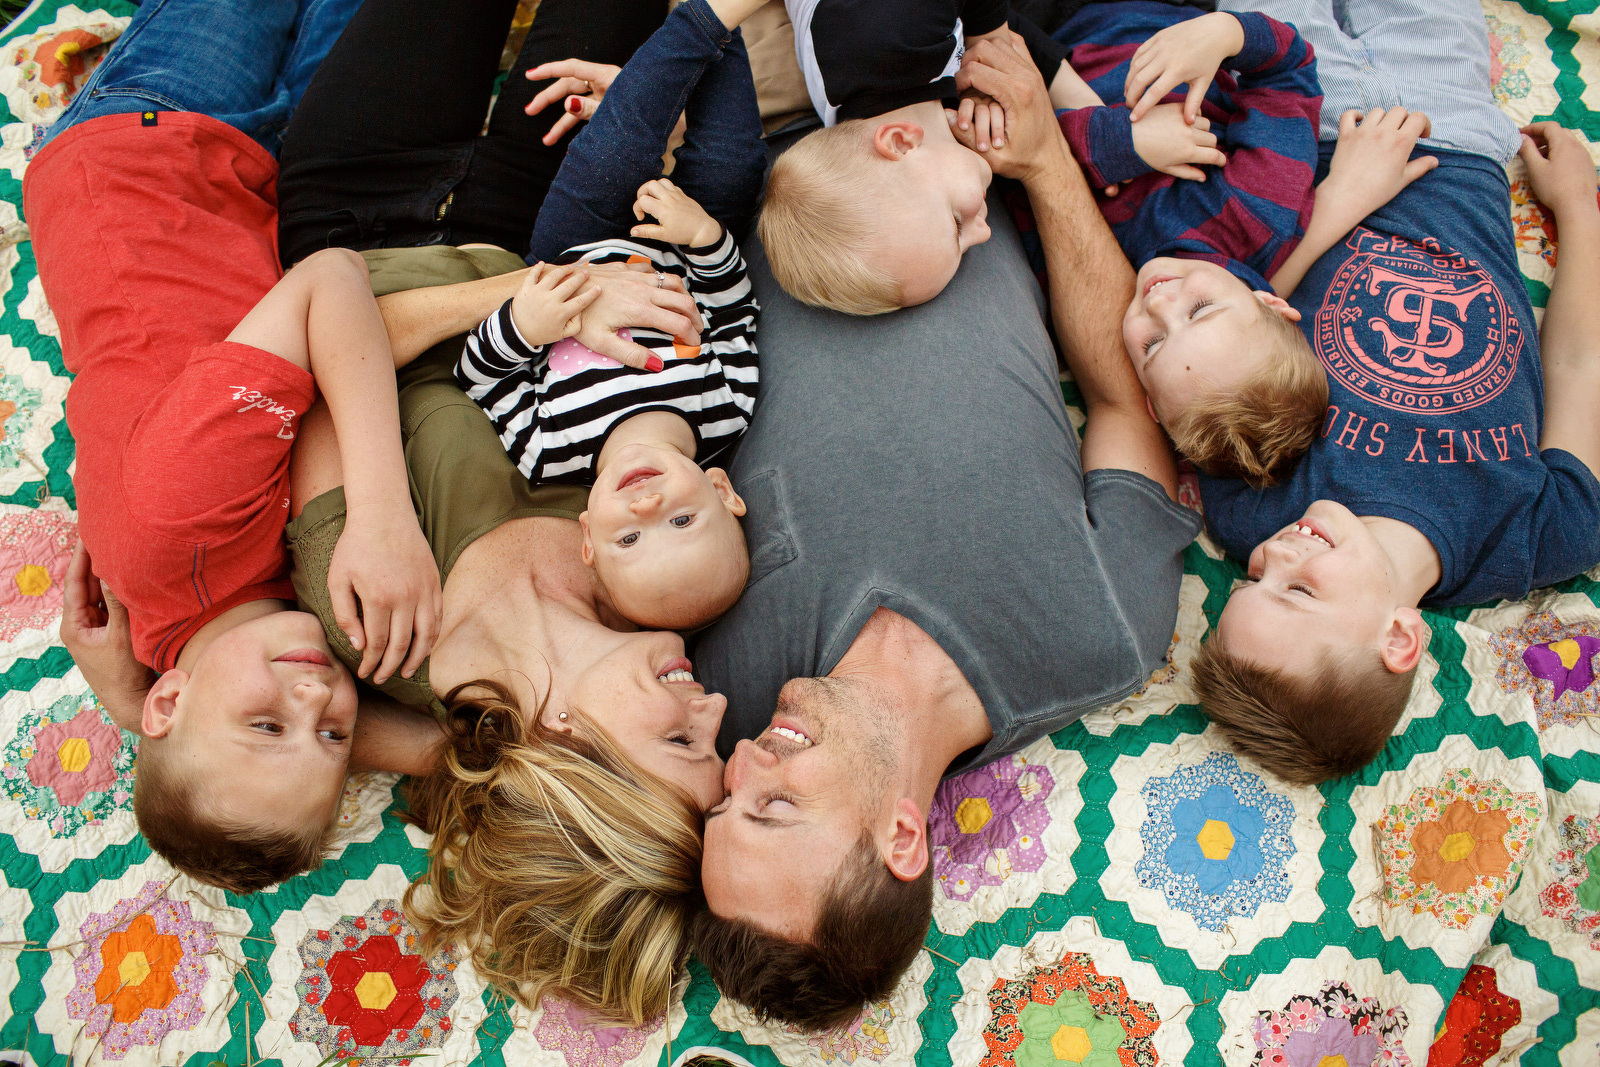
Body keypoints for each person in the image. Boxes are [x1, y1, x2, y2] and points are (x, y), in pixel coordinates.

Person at [688, 28, 1201, 1030]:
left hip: (727, 132)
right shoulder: (1097, 635)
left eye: (726, 801)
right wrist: (1045, 158)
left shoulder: (721, 686)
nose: (742, 765)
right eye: (775, 804)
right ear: (901, 838)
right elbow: (1121, 394)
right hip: (916, 99)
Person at [274, 0, 758, 1026]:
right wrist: (630, 183)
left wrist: (381, 507)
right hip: (548, 215)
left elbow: (318, 327)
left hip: (362, 223)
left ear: (572, 743)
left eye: (685, 743)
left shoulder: (380, 625)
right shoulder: (659, 569)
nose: (717, 712)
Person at [24, 0, 444, 894]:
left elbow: (331, 281)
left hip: (148, 150)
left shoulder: (179, 518)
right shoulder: (211, 643)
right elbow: (424, 744)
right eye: (333, 737)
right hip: (247, 193)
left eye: (267, 725)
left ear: (176, 698)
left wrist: (382, 514)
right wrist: (131, 705)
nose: (318, 700)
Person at [1191, 0, 1600, 785]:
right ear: (1399, 637)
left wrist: (1340, 194)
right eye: (1296, 590)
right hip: (1453, 133)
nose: (1275, 556)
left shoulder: (1253, 506)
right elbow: (1582, 362)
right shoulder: (1540, 533)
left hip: (1300, 129)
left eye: (1252, 579)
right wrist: (1578, 208)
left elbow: (1234, 314)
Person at [455, 0, 767, 631]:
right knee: (735, 166)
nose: (648, 507)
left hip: (575, 243)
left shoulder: (548, 452)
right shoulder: (726, 410)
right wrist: (705, 239)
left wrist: (526, 325)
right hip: (682, 232)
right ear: (722, 491)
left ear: (588, 536)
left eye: (630, 539)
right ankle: (726, 28)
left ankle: (702, 18)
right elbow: (736, 314)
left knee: (616, 150)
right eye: (682, 520)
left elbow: (480, 377)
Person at [1043, 4, 1430, 486]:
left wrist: (1122, 141)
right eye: (1200, 309)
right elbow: (1289, 70)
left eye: (1153, 345)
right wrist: (1225, 34)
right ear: (1271, 301)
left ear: (1150, 404)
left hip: (1040, 37)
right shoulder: (1257, 211)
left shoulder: (1081, 286)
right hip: (1153, 14)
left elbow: (1024, 160)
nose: (1159, 303)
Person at [752, 0, 1011, 313]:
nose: (984, 233)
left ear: (900, 143)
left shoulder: (894, 32)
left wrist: (993, 45)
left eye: (957, 226)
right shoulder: (860, 131)